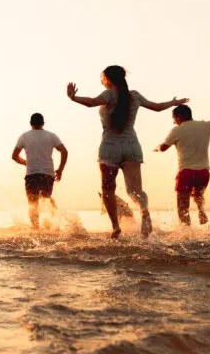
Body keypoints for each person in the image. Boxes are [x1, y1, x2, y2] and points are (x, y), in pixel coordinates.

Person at [67, 65, 188, 238]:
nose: (101, 80)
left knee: (108, 189)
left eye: (102, 77)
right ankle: (143, 209)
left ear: (107, 78)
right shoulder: (134, 95)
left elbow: (91, 102)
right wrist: (174, 103)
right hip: (131, 146)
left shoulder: (108, 94)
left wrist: (73, 97)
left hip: (110, 147)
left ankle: (116, 227)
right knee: (135, 190)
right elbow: (158, 107)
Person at [11, 113, 68, 229]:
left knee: (33, 203)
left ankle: (36, 229)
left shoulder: (24, 136)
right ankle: (56, 223)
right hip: (48, 174)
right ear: (43, 123)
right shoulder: (51, 136)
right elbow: (64, 151)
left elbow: (14, 156)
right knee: (46, 198)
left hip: (32, 174)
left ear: (30, 123)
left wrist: (26, 163)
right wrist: (60, 169)